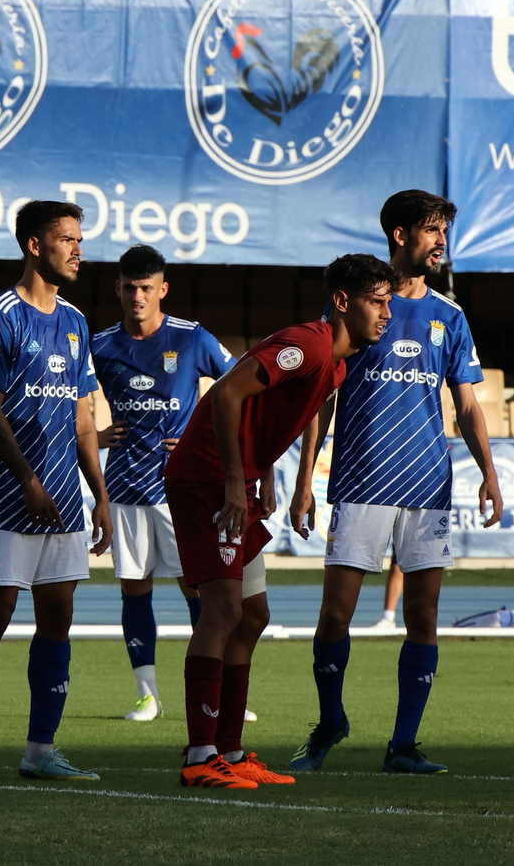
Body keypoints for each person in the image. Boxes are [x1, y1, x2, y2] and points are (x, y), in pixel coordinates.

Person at [288, 191, 503, 775]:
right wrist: (305, 478)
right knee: (335, 616)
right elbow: (321, 400)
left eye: (445, 233)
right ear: (401, 235)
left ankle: (403, 745)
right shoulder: (360, 309)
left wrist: (489, 473)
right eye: (433, 231)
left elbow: (468, 405)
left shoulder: (450, 317)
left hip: (428, 486)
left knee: (423, 618)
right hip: (359, 483)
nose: (442, 243)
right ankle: (331, 722)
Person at [165, 253, 396, 790]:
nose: (386, 314)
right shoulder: (311, 344)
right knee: (223, 609)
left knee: (253, 615)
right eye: (377, 302)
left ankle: (229, 750)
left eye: (388, 303)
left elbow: (268, 413)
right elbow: (227, 393)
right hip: (206, 479)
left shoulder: (337, 362)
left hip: (238, 477)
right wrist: (232, 480)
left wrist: (264, 473)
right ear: (343, 302)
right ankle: (200, 755)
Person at [0, 200, 113, 784]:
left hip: (66, 500)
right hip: (4, 500)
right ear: (34, 246)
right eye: (67, 239)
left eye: (80, 239)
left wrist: (100, 493)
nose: (78, 249)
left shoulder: (75, 320)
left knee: (58, 619)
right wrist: (27, 479)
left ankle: (40, 752)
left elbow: (83, 418)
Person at [90, 244, 232, 722]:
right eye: (129, 287)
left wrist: (201, 436)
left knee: (200, 591)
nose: (137, 296)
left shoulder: (192, 339)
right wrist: (94, 436)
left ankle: (217, 691)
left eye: (146, 287)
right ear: (118, 288)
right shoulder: (100, 345)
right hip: (126, 490)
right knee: (135, 589)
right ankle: (147, 695)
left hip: (180, 489)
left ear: (162, 289)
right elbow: (70, 404)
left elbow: (239, 389)